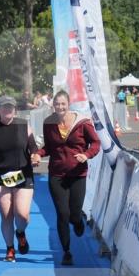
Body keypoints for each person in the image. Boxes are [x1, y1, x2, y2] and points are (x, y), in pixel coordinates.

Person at [37, 91, 101, 266]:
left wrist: (86, 155)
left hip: (77, 174)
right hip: (56, 174)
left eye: (63, 104)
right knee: (62, 214)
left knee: (74, 214)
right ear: (53, 105)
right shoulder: (49, 123)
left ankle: (78, 221)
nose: (60, 107)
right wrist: (38, 154)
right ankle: (66, 252)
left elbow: (96, 143)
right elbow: (49, 147)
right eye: (57, 104)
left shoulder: (82, 122)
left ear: (69, 104)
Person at [0, 96, 39, 262]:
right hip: (0, 176)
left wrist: (35, 156)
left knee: (22, 215)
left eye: (11, 107)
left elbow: (33, 148)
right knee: (6, 215)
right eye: (4, 107)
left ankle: (20, 232)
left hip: (23, 174)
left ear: (15, 110)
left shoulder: (23, 125)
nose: (8, 110)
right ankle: (10, 248)